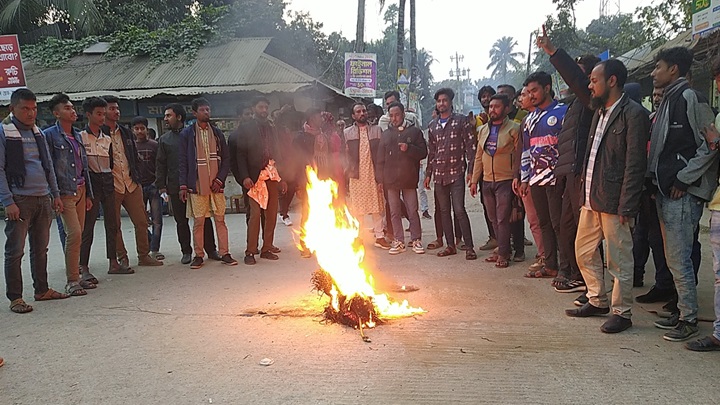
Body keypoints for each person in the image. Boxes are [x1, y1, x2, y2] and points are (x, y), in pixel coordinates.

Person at [564, 59, 650, 334]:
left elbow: (635, 163)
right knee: (584, 252)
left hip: (615, 201)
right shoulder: (598, 109)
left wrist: (628, 203)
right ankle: (597, 299)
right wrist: (554, 53)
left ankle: (621, 312)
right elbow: (575, 82)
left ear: (612, 81)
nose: (589, 85)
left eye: (594, 80)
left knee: (619, 260)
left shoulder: (634, 114)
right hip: (590, 197)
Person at [647, 47, 718, 342]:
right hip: (666, 188)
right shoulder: (668, 100)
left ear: (673, 69)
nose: (654, 72)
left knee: (679, 257)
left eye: (658, 67)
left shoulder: (692, 98)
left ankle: (688, 319)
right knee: (673, 256)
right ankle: (681, 311)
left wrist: (683, 178)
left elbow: (710, 147)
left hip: (683, 192)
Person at [537, 34, 600, 293]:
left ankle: (584, 279)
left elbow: (576, 80)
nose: (570, 81)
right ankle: (570, 271)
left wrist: (553, 51)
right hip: (567, 172)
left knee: (582, 231)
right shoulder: (573, 106)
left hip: (581, 173)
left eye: (583, 77)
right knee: (565, 226)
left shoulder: (589, 102)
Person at [1, 88, 68, 313]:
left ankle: (42, 290)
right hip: (19, 199)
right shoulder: (4, 132)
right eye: (25, 109)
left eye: (34, 108)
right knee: (15, 251)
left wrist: (55, 195)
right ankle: (16, 298)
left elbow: (47, 165)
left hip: (43, 197)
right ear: (12, 109)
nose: (31, 114)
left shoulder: (37, 132)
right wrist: (8, 201)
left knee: (41, 249)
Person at [44, 93, 96, 297]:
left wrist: (89, 194)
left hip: (81, 189)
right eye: (67, 108)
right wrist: (54, 194)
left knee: (79, 234)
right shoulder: (49, 135)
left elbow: (84, 167)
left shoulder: (78, 135)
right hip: (64, 192)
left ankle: (77, 275)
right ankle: (72, 280)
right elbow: (47, 167)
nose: (72, 111)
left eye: (72, 107)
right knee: (73, 234)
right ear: (56, 113)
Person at [156, 103, 221, 265]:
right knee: (181, 221)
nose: (165, 119)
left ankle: (211, 249)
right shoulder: (164, 140)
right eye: (165, 116)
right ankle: (186, 251)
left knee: (203, 218)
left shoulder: (193, 135)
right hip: (175, 186)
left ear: (178, 117)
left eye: (168, 115)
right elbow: (160, 164)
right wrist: (162, 187)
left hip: (196, 184)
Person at [519, 72, 569, 280]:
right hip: (536, 179)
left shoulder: (562, 112)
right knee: (544, 223)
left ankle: (567, 269)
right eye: (528, 92)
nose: (531, 96)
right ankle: (550, 265)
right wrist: (524, 178)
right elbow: (526, 151)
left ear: (547, 88)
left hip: (556, 179)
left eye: (534, 91)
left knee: (560, 225)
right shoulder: (529, 119)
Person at [103, 96, 162, 268]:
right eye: (112, 108)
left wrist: (136, 179)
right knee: (115, 225)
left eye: (117, 108)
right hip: (112, 185)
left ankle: (143, 255)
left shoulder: (125, 132)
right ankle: (122, 257)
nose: (116, 111)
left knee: (142, 221)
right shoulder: (100, 133)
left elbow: (134, 158)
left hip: (131, 183)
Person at [178, 98, 237, 269]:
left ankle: (225, 253)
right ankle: (198, 255)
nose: (206, 113)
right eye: (203, 110)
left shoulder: (217, 133)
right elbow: (183, 161)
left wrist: (220, 179)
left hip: (216, 185)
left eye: (208, 110)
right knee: (198, 221)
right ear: (194, 112)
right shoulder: (187, 134)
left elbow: (226, 159)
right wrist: (183, 185)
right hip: (197, 185)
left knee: (220, 219)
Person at [232, 96, 287, 265]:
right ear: (255, 108)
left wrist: (282, 178)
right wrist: (245, 177)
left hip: (272, 176)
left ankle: (267, 248)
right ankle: (250, 251)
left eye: (266, 107)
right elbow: (240, 155)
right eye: (260, 107)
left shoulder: (271, 127)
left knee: (271, 214)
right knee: (255, 215)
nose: (264, 110)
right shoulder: (246, 128)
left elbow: (278, 153)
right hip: (254, 178)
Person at [425, 88, 477, 260]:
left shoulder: (461, 121)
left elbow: (471, 147)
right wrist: (428, 175)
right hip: (439, 175)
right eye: (439, 101)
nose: (441, 103)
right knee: (444, 211)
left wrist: (471, 171)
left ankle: (469, 247)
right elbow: (431, 153)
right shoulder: (432, 126)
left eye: (444, 100)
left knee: (459, 209)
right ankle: (450, 245)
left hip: (457, 173)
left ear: (451, 102)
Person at [79, 96, 129, 278]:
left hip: (108, 182)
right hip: (91, 184)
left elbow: (111, 162)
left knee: (112, 224)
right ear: (88, 115)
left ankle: (113, 262)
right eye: (98, 114)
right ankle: (83, 266)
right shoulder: (81, 137)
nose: (102, 117)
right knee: (88, 227)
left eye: (103, 113)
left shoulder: (106, 138)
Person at [471, 94, 521, 268]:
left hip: (505, 180)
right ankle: (501, 248)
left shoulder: (515, 129)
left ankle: (504, 254)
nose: (492, 109)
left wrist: (517, 177)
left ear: (506, 109)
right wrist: (473, 180)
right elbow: (479, 156)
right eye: (491, 106)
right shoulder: (483, 130)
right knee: (493, 218)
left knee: (502, 219)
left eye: (497, 106)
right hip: (486, 181)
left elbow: (519, 156)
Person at [376, 102, 427, 255]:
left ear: (403, 114)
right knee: (394, 212)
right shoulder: (386, 134)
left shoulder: (415, 132)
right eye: (391, 115)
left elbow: (423, 152)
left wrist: (409, 149)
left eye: (397, 114)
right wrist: (380, 180)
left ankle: (416, 239)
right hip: (390, 180)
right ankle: (399, 241)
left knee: (412, 210)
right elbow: (380, 160)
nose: (394, 118)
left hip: (409, 179)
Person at [294, 108, 341, 257]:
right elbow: (296, 162)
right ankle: (305, 245)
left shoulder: (323, 136)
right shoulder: (301, 137)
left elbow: (329, 156)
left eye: (321, 116)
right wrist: (298, 184)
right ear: (310, 118)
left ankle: (324, 242)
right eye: (316, 116)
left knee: (326, 210)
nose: (320, 119)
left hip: (325, 178)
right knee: (307, 212)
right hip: (307, 180)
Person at [344, 102, 390, 249]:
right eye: (358, 111)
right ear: (353, 115)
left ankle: (380, 236)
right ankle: (358, 237)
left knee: (377, 206)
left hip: (373, 173)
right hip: (356, 174)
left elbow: (382, 152)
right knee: (357, 208)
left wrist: (381, 173)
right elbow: (344, 153)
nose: (362, 113)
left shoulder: (377, 130)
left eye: (363, 111)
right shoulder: (347, 132)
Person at [514, 87, 545, 272]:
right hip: (529, 177)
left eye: (525, 95)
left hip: (547, 177)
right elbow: (522, 152)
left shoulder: (551, 117)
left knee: (548, 220)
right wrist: (519, 177)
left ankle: (549, 256)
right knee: (534, 220)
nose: (522, 98)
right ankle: (544, 254)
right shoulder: (525, 121)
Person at [132, 116, 164, 261]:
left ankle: (155, 250)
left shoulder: (154, 145)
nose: (139, 131)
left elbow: (161, 166)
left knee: (157, 220)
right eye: (137, 129)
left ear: (147, 129)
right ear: (133, 130)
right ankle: (148, 245)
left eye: (142, 128)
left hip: (154, 186)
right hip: (137, 187)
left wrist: (161, 184)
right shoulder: (131, 147)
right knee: (141, 221)